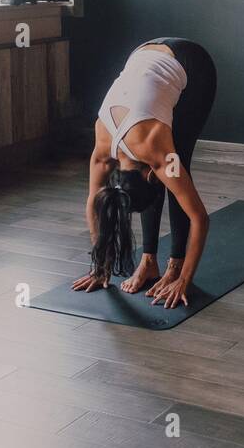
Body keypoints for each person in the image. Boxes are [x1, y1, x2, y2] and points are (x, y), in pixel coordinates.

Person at [71, 38, 216, 309]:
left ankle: (174, 265)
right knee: (172, 174)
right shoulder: (104, 147)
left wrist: (184, 278)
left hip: (192, 62)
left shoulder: (156, 150)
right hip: (142, 51)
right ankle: (148, 262)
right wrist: (100, 267)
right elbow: (94, 203)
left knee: (179, 164)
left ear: (152, 175)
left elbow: (200, 218)